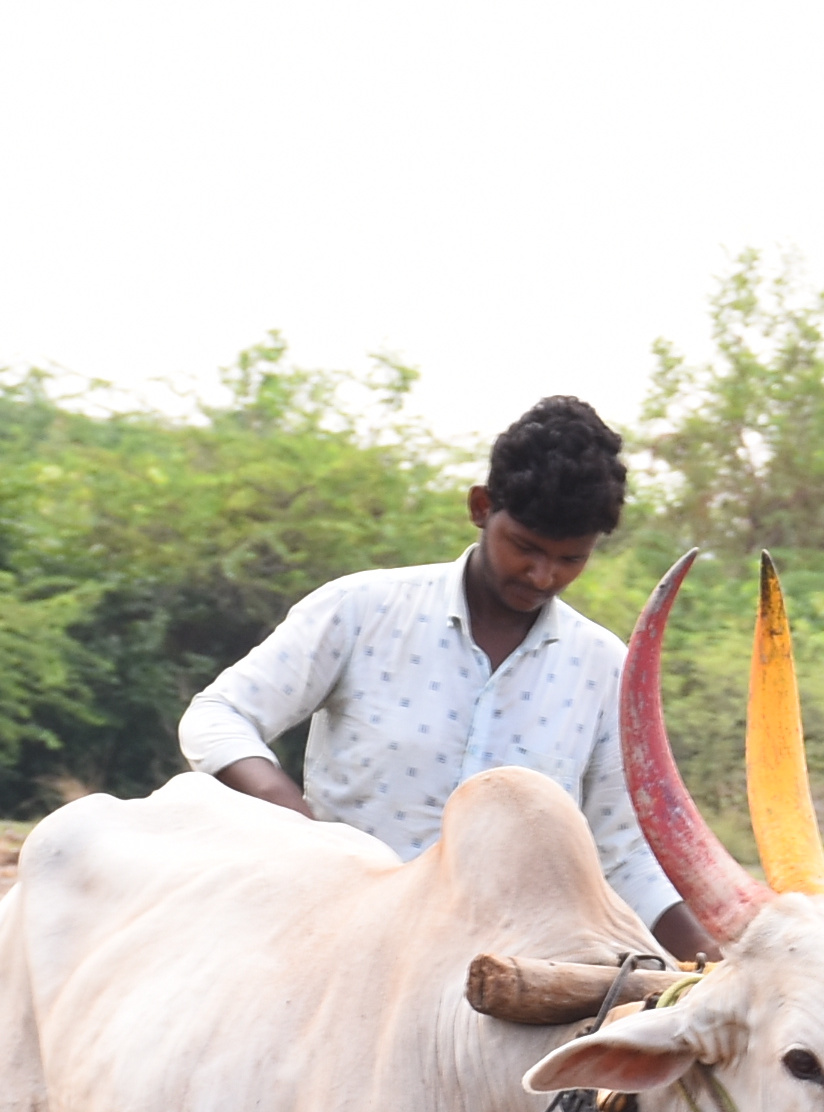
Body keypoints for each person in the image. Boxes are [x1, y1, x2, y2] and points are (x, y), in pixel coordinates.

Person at [179, 395, 714, 960]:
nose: (543, 575)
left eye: (570, 559)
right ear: (482, 507)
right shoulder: (362, 611)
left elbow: (624, 854)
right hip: (335, 948)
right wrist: (298, 823)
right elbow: (218, 717)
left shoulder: (604, 668)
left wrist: (715, 959)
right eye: (526, 547)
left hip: (508, 978)